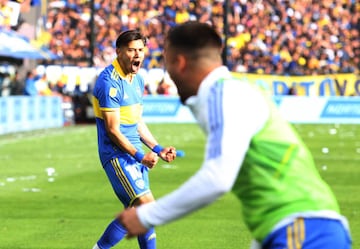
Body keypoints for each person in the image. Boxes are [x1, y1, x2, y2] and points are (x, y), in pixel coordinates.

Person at [118, 22, 352, 248]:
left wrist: (146, 216)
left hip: (305, 229)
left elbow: (217, 178)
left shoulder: (224, 95)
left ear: (179, 62)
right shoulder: (232, 92)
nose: (167, 74)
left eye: (167, 64)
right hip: (295, 229)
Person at [91, 29, 177, 249]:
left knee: (138, 212)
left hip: (134, 154)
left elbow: (136, 121)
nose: (137, 54)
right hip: (117, 155)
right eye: (131, 50)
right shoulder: (109, 82)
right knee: (147, 208)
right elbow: (113, 130)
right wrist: (140, 156)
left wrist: (157, 149)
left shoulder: (137, 79)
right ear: (119, 51)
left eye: (140, 50)